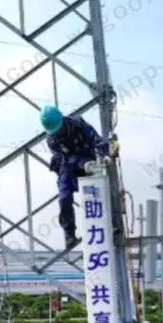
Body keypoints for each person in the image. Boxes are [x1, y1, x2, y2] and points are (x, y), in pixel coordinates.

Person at [39, 105, 118, 249]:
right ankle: (69, 233)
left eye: (58, 128)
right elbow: (62, 160)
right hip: (67, 169)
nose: (58, 132)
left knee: (97, 194)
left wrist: (106, 154)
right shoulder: (52, 140)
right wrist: (80, 164)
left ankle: (108, 225)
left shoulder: (78, 125)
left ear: (62, 120)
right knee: (64, 198)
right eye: (54, 131)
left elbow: (96, 139)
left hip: (88, 163)